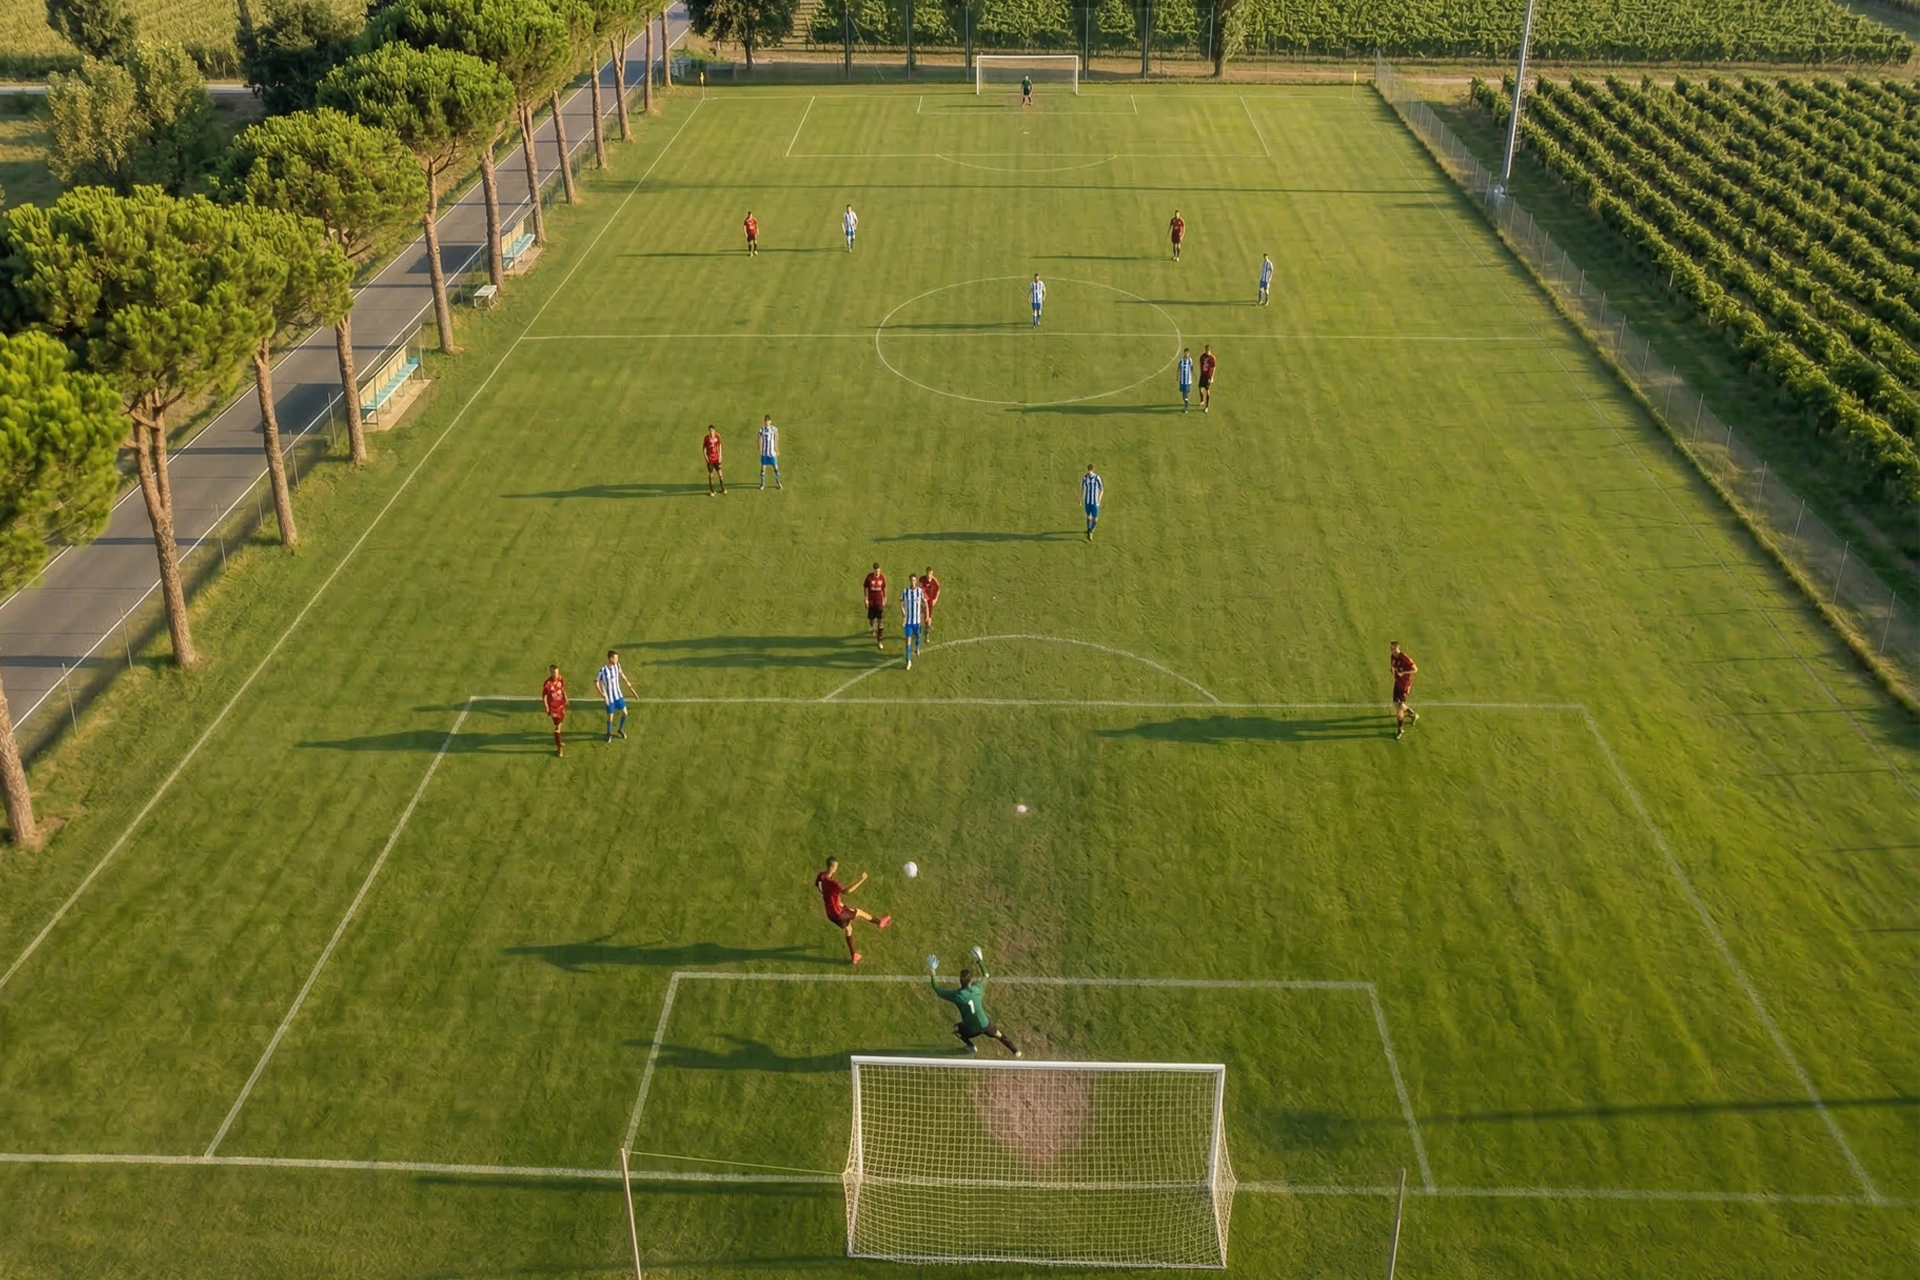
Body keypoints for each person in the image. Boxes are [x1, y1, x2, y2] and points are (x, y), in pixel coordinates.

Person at [928, 949, 1020, 1056]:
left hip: (971, 1029)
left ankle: (971, 1047)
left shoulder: (957, 996)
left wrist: (932, 970)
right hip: (985, 1024)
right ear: (971, 981)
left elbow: (937, 989)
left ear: (960, 981)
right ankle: (1016, 1051)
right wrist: (979, 960)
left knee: (957, 1030)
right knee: (999, 1035)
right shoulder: (978, 989)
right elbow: (986, 975)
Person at [816, 857, 890, 965]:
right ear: (832, 867)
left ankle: (854, 956)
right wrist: (862, 879)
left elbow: (820, 888)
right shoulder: (833, 883)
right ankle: (880, 923)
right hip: (838, 913)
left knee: (849, 929)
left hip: (830, 913)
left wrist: (833, 899)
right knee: (859, 912)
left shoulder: (821, 876)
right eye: (836, 866)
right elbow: (847, 891)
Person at [596, 649, 636, 742]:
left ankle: (620, 729)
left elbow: (621, 674)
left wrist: (628, 683)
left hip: (618, 695)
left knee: (625, 713)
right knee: (610, 717)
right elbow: (596, 682)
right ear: (610, 658)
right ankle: (608, 734)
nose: (617, 660)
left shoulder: (617, 666)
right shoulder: (603, 670)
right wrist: (602, 694)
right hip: (609, 698)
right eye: (615, 658)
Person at [1390, 641, 1420, 739]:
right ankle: (1413, 714)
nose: (1393, 651)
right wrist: (1393, 670)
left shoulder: (1405, 659)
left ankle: (1400, 729)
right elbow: (1393, 666)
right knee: (1396, 703)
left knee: (1399, 709)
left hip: (1404, 685)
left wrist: (1404, 673)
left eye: (1394, 649)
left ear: (1398, 648)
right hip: (1397, 683)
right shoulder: (1393, 657)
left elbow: (1415, 669)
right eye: (1391, 649)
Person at [541, 664, 568, 757]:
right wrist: (546, 707)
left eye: (557, 672)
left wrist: (566, 699)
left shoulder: (560, 678)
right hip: (554, 709)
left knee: (560, 725)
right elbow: (544, 696)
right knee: (557, 728)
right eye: (554, 672)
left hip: (561, 706)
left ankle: (559, 741)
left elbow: (563, 689)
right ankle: (559, 748)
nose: (556, 674)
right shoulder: (547, 684)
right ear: (551, 673)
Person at [901, 574, 926, 670]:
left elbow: (924, 603)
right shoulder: (905, 591)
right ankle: (908, 661)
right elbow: (900, 601)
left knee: (918, 637)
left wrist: (924, 611)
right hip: (908, 622)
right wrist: (902, 609)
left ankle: (917, 649)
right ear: (909, 581)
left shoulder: (920, 592)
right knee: (908, 641)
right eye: (911, 580)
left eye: (914, 580)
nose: (913, 582)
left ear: (916, 581)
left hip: (917, 622)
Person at [864, 562, 888, 649]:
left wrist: (885, 597)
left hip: (879, 603)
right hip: (871, 602)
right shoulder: (869, 577)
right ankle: (872, 626)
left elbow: (884, 587)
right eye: (876, 571)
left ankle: (880, 641)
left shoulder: (882, 577)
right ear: (873, 570)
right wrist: (866, 598)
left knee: (880, 624)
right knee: (871, 619)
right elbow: (866, 587)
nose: (877, 573)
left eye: (878, 571)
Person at [758, 414, 782, 490]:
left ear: (770, 421)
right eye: (765, 421)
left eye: (768, 421)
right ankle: (762, 484)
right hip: (765, 453)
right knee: (762, 468)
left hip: (772, 453)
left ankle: (778, 482)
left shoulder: (774, 429)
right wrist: (759, 446)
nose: (767, 422)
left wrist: (777, 449)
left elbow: (776, 439)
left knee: (776, 468)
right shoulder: (761, 429)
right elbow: (759, 437)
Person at [1082, 464, 1103, 541]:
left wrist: (1099, 499)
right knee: (1088, 516)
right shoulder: (1085, 478)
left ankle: (1092, 529)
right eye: (1088, 470)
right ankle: (1089, 531)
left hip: (1095, 502)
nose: (1089, 472)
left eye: (1091, 470)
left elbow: (1101, 489)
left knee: (1095, 519)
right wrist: (1080, 499)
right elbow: (1082, 488)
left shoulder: (1097, 478)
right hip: (1087, 501)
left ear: (1093, 470)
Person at [920, 566, 941, 640]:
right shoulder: (922, 580)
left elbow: (938, 589)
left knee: (928, 618)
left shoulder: (934, 581)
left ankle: (927, 633)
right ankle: (917, 629)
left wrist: (936, 599)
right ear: (926, 573)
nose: (929, 575)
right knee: (920, 615)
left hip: (930, 603)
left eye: (931, 574)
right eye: (928, 573)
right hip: (922, 602)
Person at [703, 424, 725, 495]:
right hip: (710, 460)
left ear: (714, 431)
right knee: (711, 475)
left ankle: (723, 488)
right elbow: (704, 448)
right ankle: (712, 491)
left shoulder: (717, 436)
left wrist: (720, 455)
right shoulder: (706, 438)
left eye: (712, 431)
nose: (711, 432)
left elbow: (719, 445)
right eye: (710, 431)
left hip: (717, 459)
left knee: (720, 474)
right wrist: (706, 457)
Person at [1198, 345, 1217, 414]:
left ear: (1209, 350)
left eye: (1207, 350)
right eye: (1205, 350)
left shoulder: (1212, 358)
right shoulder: (1202, 356)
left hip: (1208, 376)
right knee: (1200, 388)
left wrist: (1212, 377)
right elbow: (1200, 364)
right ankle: (1202, 400)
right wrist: (1201, 372)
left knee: (1207, 391)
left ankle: (1206, 407)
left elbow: (1214, 368)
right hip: (1202, 375)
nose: (1206, 351)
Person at [1177, 346, 1194, 413]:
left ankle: (1186, 407)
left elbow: (1192, 367)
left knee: (1186, 394)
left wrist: (1193, 374)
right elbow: (1178, 368)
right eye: (1185, 353)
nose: (1186, 354)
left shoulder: (1190, 360)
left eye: (1187, 353)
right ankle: (1186, 403)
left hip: (1188, 381)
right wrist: (1177, 376)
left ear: (1188, 353)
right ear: (1184, 353)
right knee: (1183, 395)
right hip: (1182, 380)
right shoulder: (1181, 360)